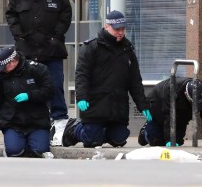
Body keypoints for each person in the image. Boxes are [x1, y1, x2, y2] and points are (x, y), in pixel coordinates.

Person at [5, 0, 72, 140]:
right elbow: (11, 15)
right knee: (28, 87)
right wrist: (19, 36)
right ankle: (31, 123)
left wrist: (57, 36)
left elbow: (66, 13)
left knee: (56, 85)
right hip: (27, 49)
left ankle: (59, 123)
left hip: (52, 48)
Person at [61, 11, 149, 148]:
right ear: (106, 26)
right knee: (91, 141)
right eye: (117, 29)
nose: (120, 32)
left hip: (117, 106)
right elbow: (82, 74)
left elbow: (135, 81)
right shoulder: (91, 47)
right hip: (96, 105)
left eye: (122, 29)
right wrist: (82, 97)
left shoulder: (127, 49)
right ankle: (74, 128)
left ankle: (101, 133)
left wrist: (143, 105)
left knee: (119, 139)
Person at [0, 46, 53, 158]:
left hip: (37, 122)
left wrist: (30, 95)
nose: (2, 70)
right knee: (14, 151)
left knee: (39, 151)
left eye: (4, 67)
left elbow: (49, 90)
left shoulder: (37, 69)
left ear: (13, 61)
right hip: (13, 123)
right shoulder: (1, 79)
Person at [138, 77, 202, 147]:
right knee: (157, 141)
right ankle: (144, 132)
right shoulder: (172, 90)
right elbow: (168, 115)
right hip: (158, 107)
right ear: (186, 94)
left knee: (178, 142)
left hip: (181, 115)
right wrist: (169, 139)